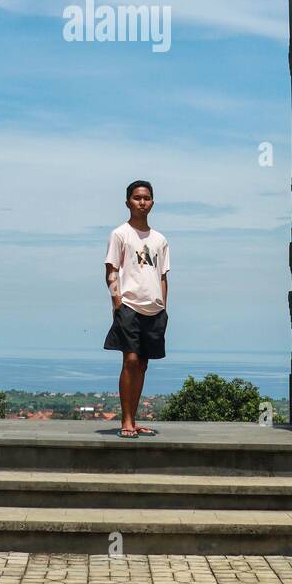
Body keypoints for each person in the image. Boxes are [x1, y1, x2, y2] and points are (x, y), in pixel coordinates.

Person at [103, 180, 170, 437]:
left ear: (152, 202)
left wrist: (164, 306)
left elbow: (163, 276)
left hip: (155, 309)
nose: (142, 202)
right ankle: (126, 420)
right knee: (130, 360)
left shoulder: (160, 240)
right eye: (137, 198)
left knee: (142, 364)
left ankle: (134, 417)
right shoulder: (120, 234)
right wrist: (117, 303)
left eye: (146, 198)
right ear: (128, 202)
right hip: (129, 305)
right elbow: (111, 272)